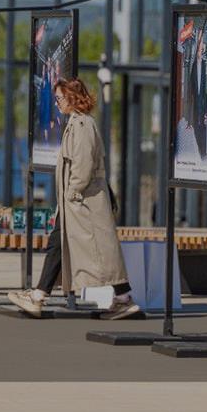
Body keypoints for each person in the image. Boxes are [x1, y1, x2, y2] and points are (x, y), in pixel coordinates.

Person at [52, 78, 139, 320]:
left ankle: (123, 298)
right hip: (82, 199)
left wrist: (72, 192)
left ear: (71, 97)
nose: (57, 103)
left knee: (101, 252)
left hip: (84, 200)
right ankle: (122, 297)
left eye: (59, 98)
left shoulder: (81, 125)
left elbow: (83, 163)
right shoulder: (78, 123)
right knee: (96, 250)